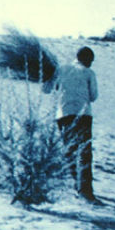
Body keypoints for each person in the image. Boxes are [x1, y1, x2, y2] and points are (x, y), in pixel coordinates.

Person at [44, 46, 98, 201]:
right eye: (91, 60)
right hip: (83, 115)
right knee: (84, 153)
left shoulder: (60, 69)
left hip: (64, 115)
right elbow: (93, 96)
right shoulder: (88, 72)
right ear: (87, 59)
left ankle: (76, 184)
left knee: (70, 150)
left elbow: (46, 89)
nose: (91, 63)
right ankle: (85, 191)